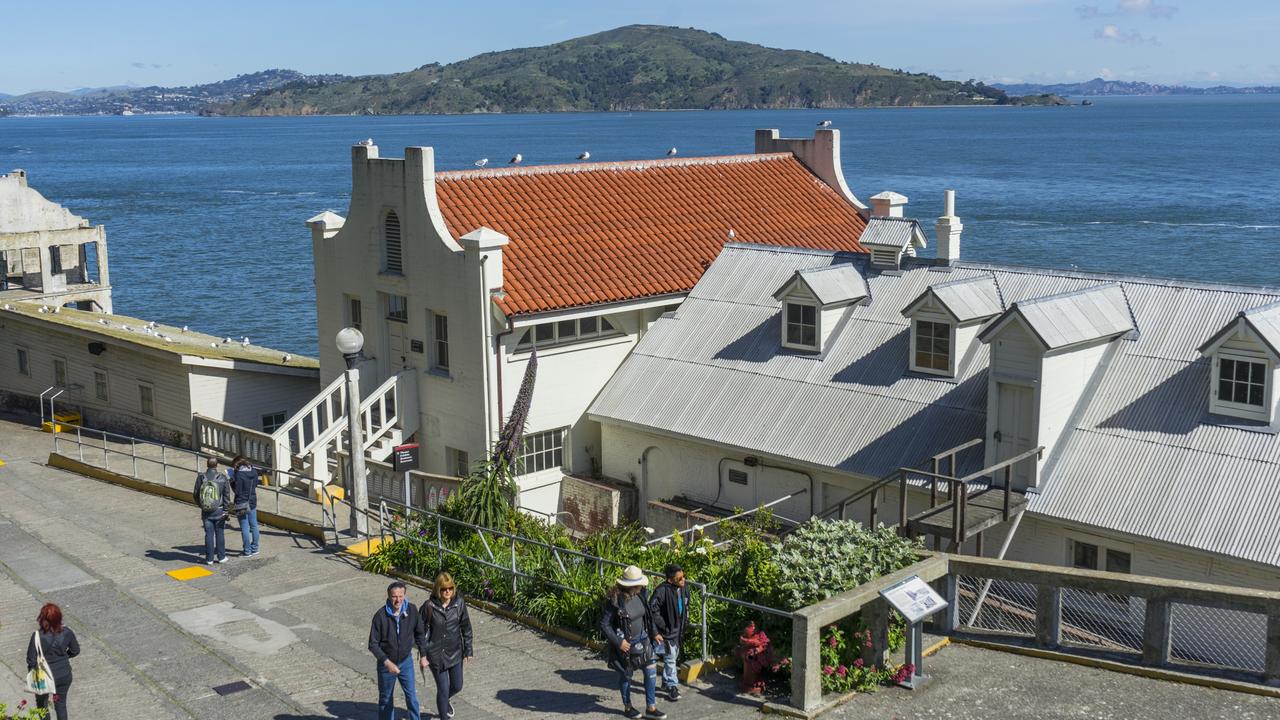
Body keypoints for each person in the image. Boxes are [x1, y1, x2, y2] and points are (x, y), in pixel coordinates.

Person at [601, 565, 666, 719]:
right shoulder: (615, 601)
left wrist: (654, 633)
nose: (642, 586)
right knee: (626, 675)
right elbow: (604, 624)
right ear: (630, 585)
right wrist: (619, 642)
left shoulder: (642, 594)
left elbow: (647, 617)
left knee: (651, 669)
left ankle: (651, 707)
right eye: (638, 584)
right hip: (626, 644)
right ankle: (628, 707)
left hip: (643, 639)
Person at [368, 581, 428, 720]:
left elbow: (420, 634)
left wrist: (423, 655)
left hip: (405, 661)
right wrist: (387, 662)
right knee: (386, 699)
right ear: (389, 596)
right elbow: (373, 644)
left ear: (405, 595)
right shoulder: (380, 616)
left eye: (401, 596)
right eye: (394, 597)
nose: (398, 600)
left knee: (412, 696)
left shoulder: (412, 610)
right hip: (387, 664)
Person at [423, 572, 473, 719]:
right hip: (436, 654)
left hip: (455, 652)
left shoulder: (459, 604)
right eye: (444, 589)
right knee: (443, 689)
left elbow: (466, 627)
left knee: (457, 686)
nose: (448, 592)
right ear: (438, 589)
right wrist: (423, 653)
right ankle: (443, 714)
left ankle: (444, 701)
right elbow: (420, 631)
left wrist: (468, 650)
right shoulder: (429, 606)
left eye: (450, 588)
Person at [26, 602, 79, 720]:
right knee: (61, 705)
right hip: (64, 674)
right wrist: (64, 657)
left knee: (42, 705)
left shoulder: (37, 636)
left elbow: (31, 660)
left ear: (42, 619)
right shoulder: (67, 632)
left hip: (43, 676)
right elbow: (75, 651)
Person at [649, 563, 691, 701]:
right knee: (670, 658)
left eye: (683, 577)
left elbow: (686, 605)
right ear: (670, 580)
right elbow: (652, 610)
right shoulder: (662, 591)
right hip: (667, 632)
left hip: (678, 631)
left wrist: (685, 623)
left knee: (673, 656)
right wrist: (661, 627)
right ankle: (672, 686)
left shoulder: (684, 588)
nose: (683, 580)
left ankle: (666, 682)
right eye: (680, 579)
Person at [192, 457, 230, 565]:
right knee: (220, 533)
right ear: (216, 465)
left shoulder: (201, 477)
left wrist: (202, 505)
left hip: (206, 511)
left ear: (207, 464)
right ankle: (221, 557)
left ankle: (209, 559)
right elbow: (227, 496)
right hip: (219, 510)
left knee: (208, 534)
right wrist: (226, 510)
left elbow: (195, 494)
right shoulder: (222, 477)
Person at [229, 455, 260, 557]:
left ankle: (247, 550)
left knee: (245, 528)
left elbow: (237, 491)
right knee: (254, 525)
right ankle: (255, 548)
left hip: (241, 502)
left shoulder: (238, 475)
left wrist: (231, 481)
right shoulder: (254, 471)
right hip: (252, 501)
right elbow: (255, 485)